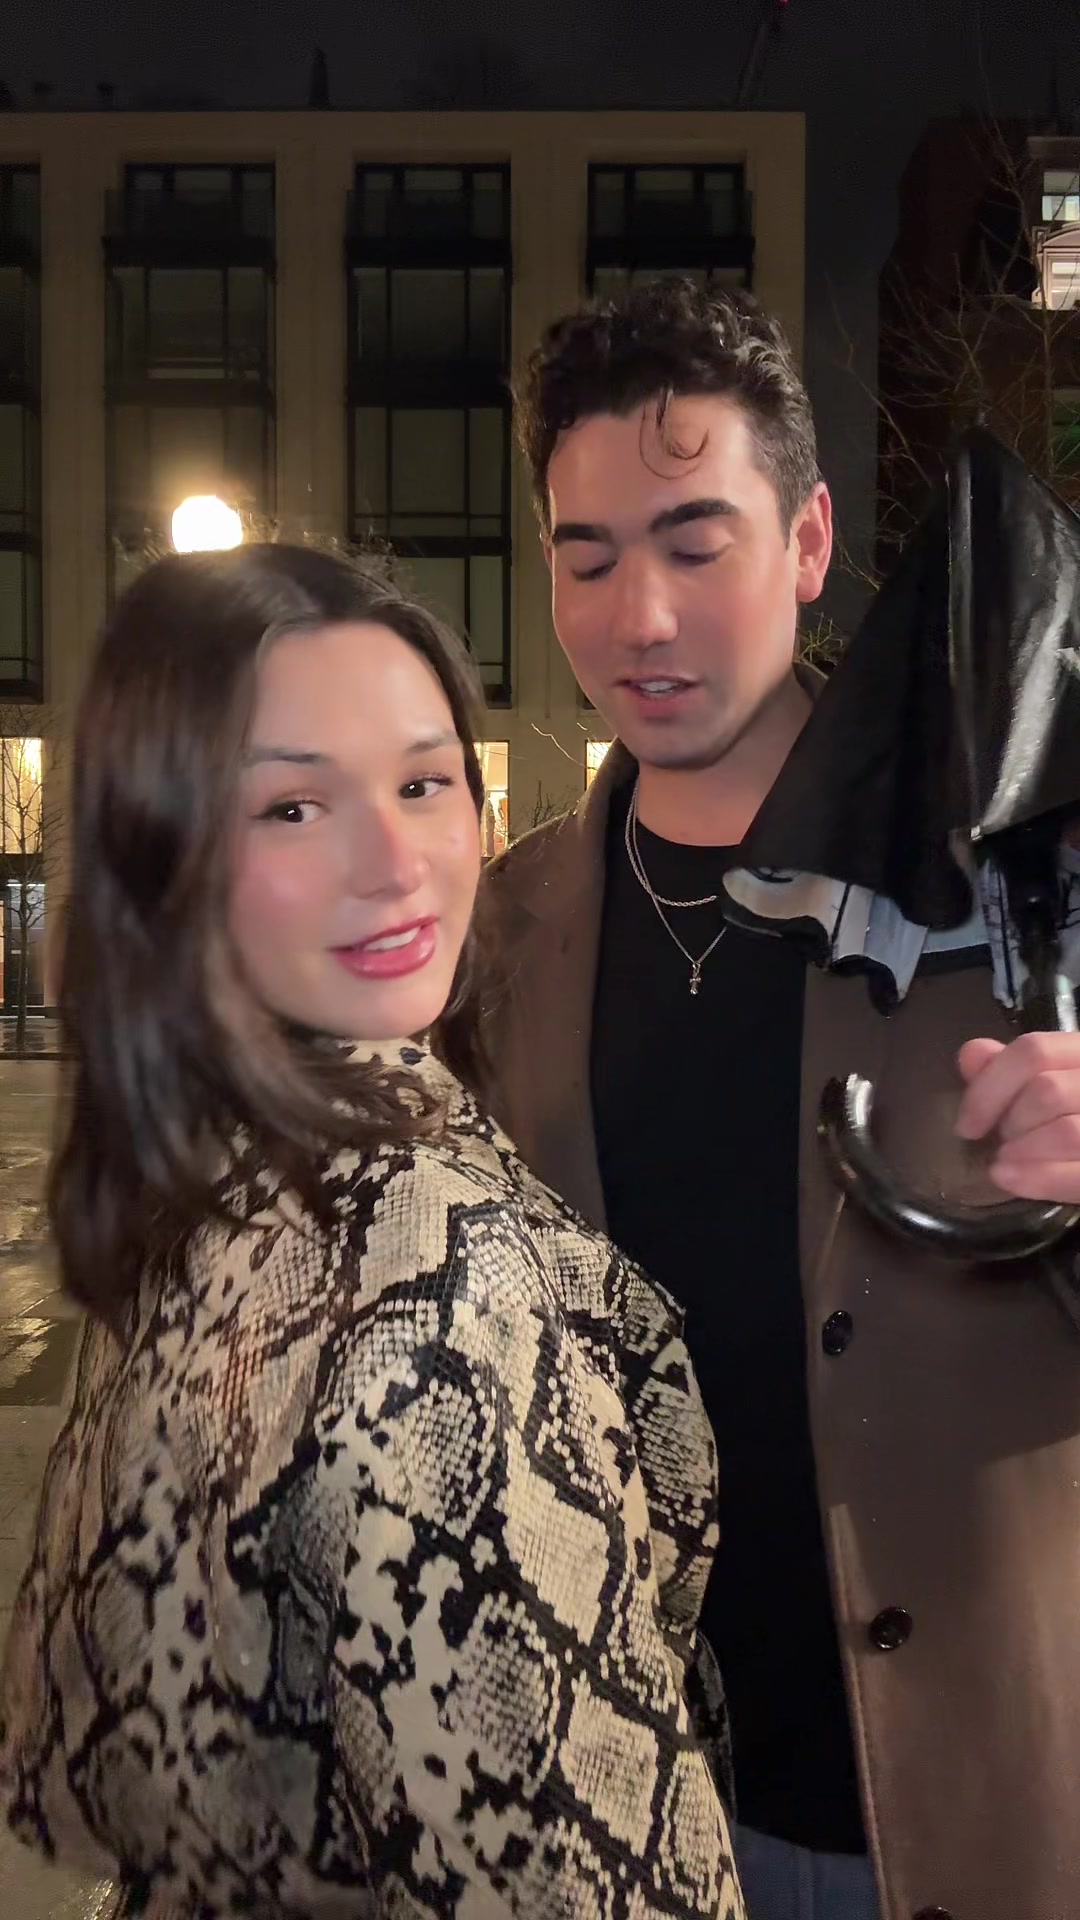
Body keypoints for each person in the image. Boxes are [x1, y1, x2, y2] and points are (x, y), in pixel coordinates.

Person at [0, 544, 746, 1920]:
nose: (397, 863)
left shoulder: (201, 1174)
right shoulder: (437, 1292)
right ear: (168, 857)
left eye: (423, 783)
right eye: (293, 806)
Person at [476, 277, 1080, 1920]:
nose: (640, 618)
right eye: (588, 558)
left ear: (809, 543)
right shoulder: (503, 935)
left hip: (981, 1811)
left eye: (697, 543)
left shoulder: (1012, 886)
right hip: (638, 1816)